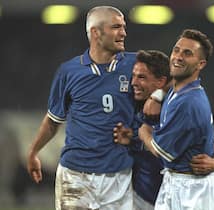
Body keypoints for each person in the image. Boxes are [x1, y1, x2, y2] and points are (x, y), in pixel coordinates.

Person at [27, 6, 140, 210]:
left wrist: (137, 132)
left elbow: (166, 88)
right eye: (116, 27)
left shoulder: (137, 65)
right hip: (75, 175)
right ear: (96, 32)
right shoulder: (69, 71)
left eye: (123, 27)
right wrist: (33, 152)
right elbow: (53, 120)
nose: (123, 32)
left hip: (118, 175)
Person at [114, 50, 214, 210]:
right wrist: (132, 139)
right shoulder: (129, 107)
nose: (134, 82)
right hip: (143, 196)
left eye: (142, 77)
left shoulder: (179, 106)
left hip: (181, 194)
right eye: (134, 76)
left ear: (161, 81)